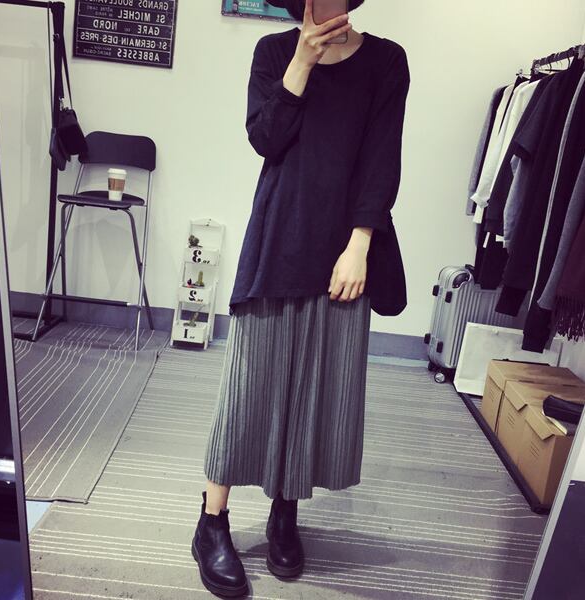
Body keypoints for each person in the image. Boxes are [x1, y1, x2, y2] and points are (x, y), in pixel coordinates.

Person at [191, 0, 410, 596]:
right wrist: (301, 64)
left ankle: (285, 512)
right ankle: (212, 521)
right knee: (247, 391)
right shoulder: (272, 53)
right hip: (278, 239)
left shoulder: (386, 61)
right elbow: (265, 139)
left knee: (314, 392)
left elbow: (382, 159)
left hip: (343, 252)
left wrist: (360, 245)